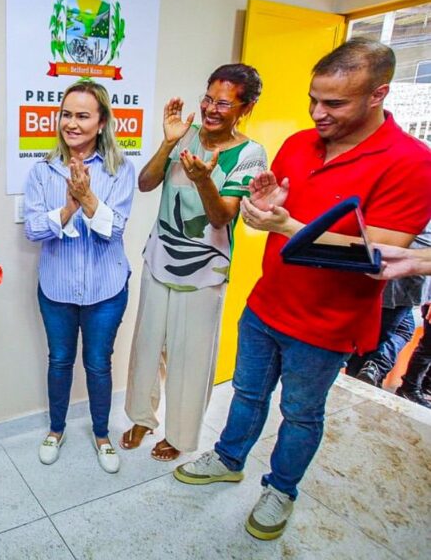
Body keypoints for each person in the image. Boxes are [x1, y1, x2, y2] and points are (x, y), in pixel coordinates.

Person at [173, 39, 431, 541]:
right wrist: (256, 210)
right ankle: (228, 458)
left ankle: (281, 489)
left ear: (379, 94)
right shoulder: (297, 143)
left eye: (334, 103)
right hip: (268, 303)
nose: (318, 112)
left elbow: (381, 252)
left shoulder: (412, 162)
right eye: (314, 99)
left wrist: (288, 223)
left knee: (301, 413)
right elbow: (267, 217)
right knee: (246, 394)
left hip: (327, 324)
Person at [122, 64, 267, 462]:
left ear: (246, 107)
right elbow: (146, 183)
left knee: (192, 354)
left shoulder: (250, 154)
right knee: (148, 344)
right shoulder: (183, 133)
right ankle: (140, 417)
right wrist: (168, 144)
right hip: (160, 258)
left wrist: (204, 178)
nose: (211, 109)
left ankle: (180, 435)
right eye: (208, 98)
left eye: (223, 103)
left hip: (206, 270)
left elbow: (222, 217)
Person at [24, 80, 135, 474]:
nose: (71, 123)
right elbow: (33, 230)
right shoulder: (41, 171)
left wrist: (87, 197)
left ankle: (102, 435)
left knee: (98, 363)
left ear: (102, 122)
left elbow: (114, 230)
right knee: (59, 360)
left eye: (83, 115)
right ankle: (56, 430)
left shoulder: (121, 170)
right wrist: (69, 207)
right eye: (67, 114)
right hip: (56, 289)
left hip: (106, 289)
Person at [346, 223, 431, 387]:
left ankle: (372, 370)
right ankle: (365, 377)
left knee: (402, 329)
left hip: (397, 276)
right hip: (395, 280)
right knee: (374, 340)